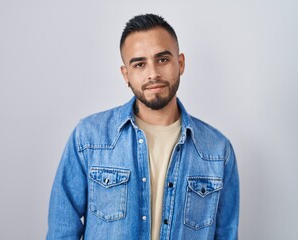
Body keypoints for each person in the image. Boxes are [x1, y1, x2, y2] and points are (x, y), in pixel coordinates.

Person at [46, 13, 239, 240]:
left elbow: (226, 234)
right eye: (139, 64)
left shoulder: (217, 151)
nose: (153, 73)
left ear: (181, 63)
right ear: (126, 74)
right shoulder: (89, 138)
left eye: (163, 59)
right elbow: (62, 230)